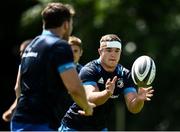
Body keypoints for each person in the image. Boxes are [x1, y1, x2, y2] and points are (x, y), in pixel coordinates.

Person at [10, 2, 94, 131]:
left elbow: (18, 87)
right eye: (71, 23)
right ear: (66, 24)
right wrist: (87, 107)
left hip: (19, 121)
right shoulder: (59, 46)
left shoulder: (30, 46)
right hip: (41, 123)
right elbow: (75, 88)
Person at [59, 34, 154, 131]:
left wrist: (139, 99)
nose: (113, 54)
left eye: (117, 51)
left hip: (100, 128)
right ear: (100, 52)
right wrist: (107, 93)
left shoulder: (125, 74)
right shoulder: (89, 70)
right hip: (74, 126)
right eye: (109, 50)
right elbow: (90, 98)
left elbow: (133, 108)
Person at [2, 39, 32, 123]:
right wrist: (12, 110)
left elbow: (17, 89)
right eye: (21, 52)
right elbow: (21, 93)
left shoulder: (24, 66)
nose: (22, 54)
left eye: (25, 51)